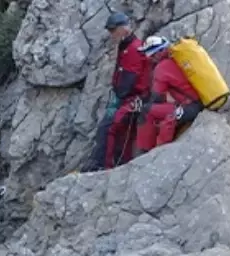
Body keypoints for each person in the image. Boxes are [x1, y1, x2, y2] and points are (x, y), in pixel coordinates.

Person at [85, 12, 150, 171]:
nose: (111, 34)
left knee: (109, 128)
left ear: (123, 29)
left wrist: (119, 97)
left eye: (114, 30)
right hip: (125, 96)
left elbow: (129, 79)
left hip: (132, 98)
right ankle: (100, 162)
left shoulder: (133, 49)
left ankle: (104, 165)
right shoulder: (126, 45)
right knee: (106, 128)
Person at [134, 36, 203, 155]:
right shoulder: (177, 58)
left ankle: (149, 152)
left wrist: (144, 104)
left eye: (150, 54)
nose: (149, 58)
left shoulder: (161, 68)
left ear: (156, 53)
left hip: (191, 106)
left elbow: (157, 97)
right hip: (199, 100)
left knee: (147, 111)